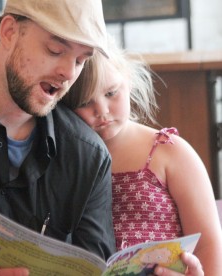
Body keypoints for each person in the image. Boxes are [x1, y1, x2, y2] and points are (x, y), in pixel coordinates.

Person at [0, 0, 117, 275]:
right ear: (10, 32)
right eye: (55, 50)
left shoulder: (89, 157)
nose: (69, 72)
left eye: (81, 60)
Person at [63, 37, 222, 275]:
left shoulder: (169, 151)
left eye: (111, 93)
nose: (102, 111)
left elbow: (208, 243)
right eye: (85, 102)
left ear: (128, 80)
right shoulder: (65, 160)